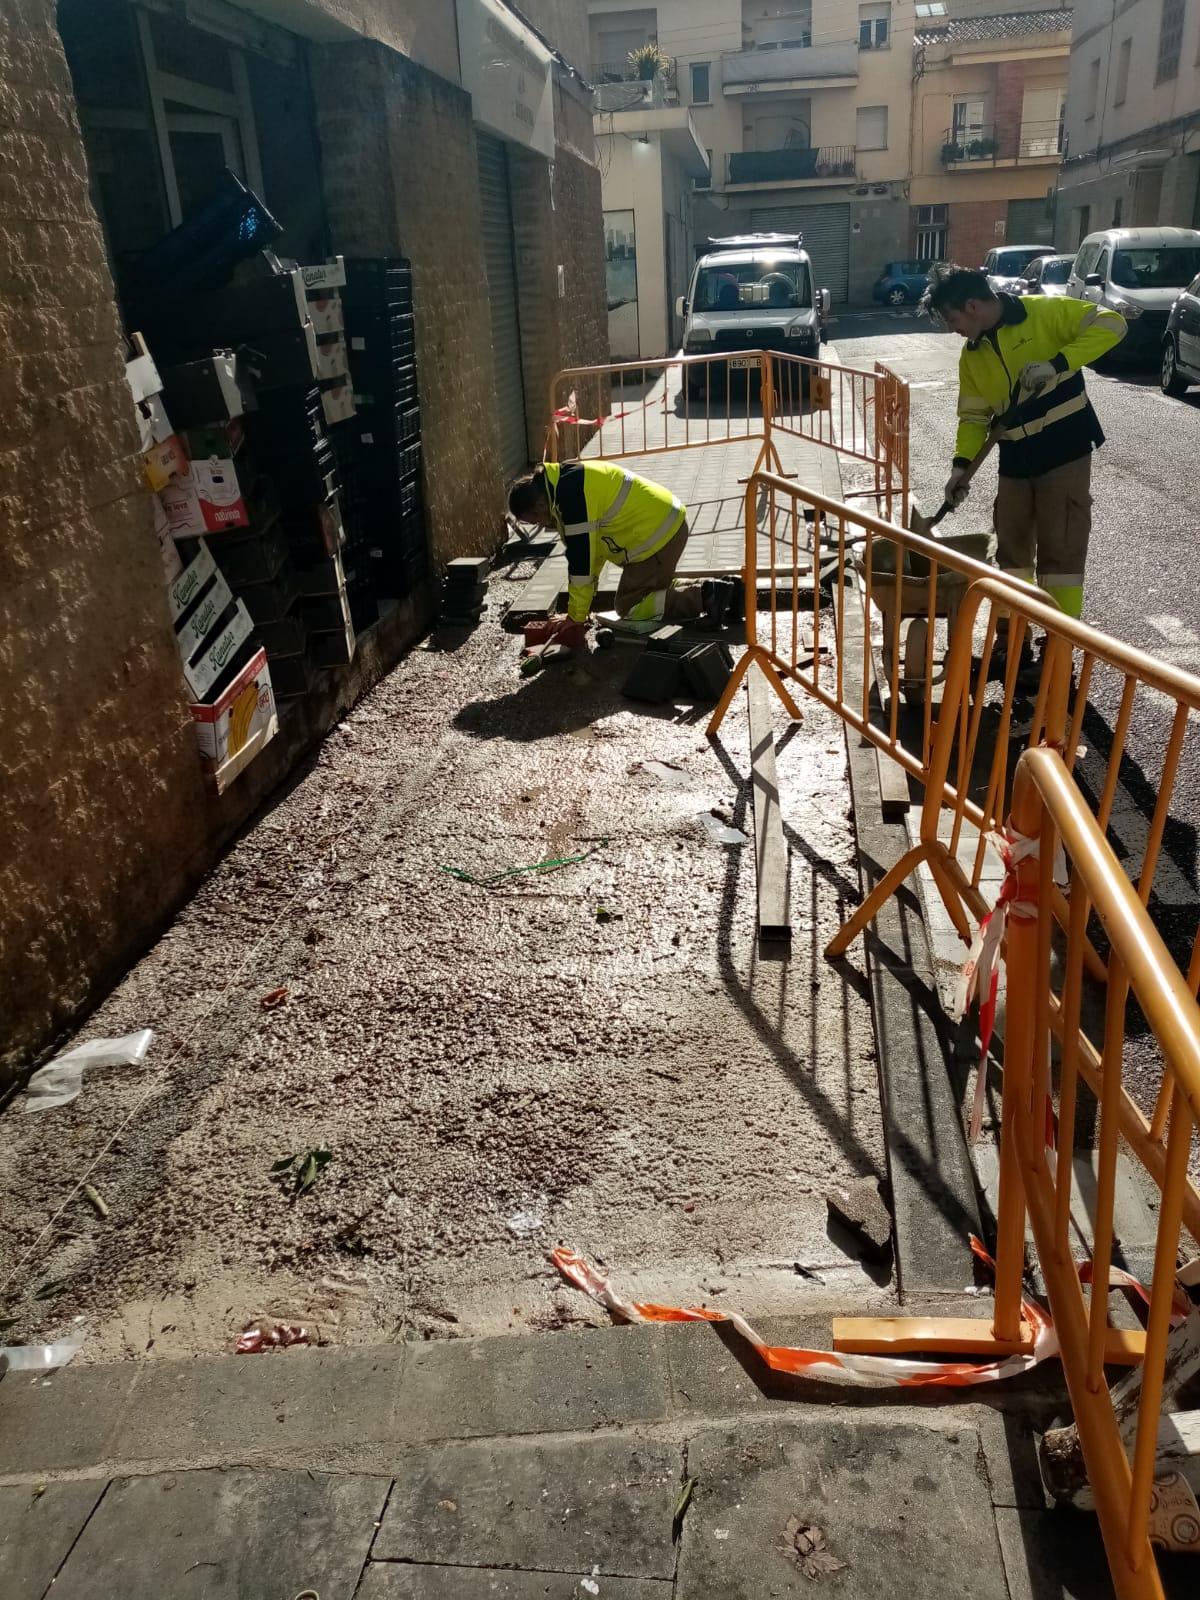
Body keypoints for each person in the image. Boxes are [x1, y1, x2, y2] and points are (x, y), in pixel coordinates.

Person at [928, 266, 1125, 663]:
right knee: (1012, 553)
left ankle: (1059, 643)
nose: (953, 329)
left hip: (1064, 449)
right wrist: (960, 467)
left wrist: (1059, 363)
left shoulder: (1043, 313)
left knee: (1061, 552)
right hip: (1015, 457)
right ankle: (1012, 638)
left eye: (953, 319)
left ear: (972, 305)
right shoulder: (973, 357)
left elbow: (1113, 324)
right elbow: (973, 418)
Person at [508, 461, 741, 643]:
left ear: (539, 505)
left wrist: (575, 617)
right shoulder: (566, 480)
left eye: (536, 520)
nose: (541, 525)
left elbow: (581, 563)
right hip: (664, 527)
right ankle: (726, 590)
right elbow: (594, 555)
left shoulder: (571, 499)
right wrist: (579, 611)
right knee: (651, 592)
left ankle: (705, 597)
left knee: (629, 607)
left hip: (656, 537)